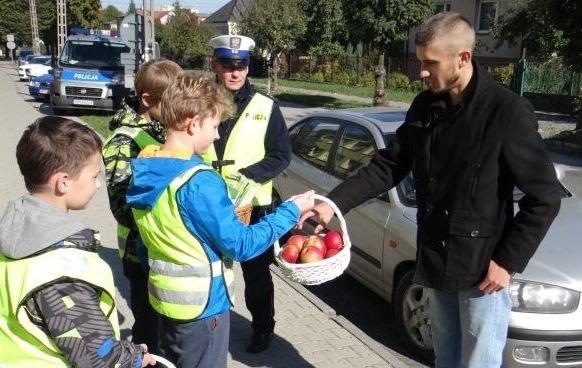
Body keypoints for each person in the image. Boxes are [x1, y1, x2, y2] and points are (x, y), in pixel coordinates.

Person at [299, 12, 563, 368]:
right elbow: (389, 165)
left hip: (482, 274)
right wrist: (333, 204)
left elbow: (544, 197)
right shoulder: (426, 106)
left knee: (478, 364)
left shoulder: (506, 111)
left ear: (463, 58)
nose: (421, 71)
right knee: (445, 360)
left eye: (430, 63)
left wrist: (507, 262)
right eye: (420, 61)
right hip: (436, 263)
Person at [126, 72, 314, 368]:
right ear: (193, 122)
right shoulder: (199, 181)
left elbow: (144, 244)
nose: (216, 135)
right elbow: (240, 245)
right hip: (202, 311)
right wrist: (290, 211)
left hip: (163, 303)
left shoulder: (146, 165)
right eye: (213, 125)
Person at [0, 116, 156, 367]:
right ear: (64, 182)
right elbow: (96, 358)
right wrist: (134, 357)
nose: (97, 185)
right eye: (94, 176)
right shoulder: (63, 273)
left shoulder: (12, 234)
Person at [202, 34, 291, 353]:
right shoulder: (201, 102)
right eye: (228, 65)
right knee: (208, 269)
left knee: (256, 277)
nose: (236, 72)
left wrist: (247, 176)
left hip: (252, 207)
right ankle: (210, 327)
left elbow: (282, 155)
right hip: (207, 203)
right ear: (215, 65)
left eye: (242, 65)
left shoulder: (266, 107)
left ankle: (263, 328)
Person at [102, 58, 183, 354]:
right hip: (141, 255)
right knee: (150, 334)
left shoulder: (161, 129)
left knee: (168, 331)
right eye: (171, 103)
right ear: (147, 100)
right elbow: (122, 208)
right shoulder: (123, 143)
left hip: (164, 250)